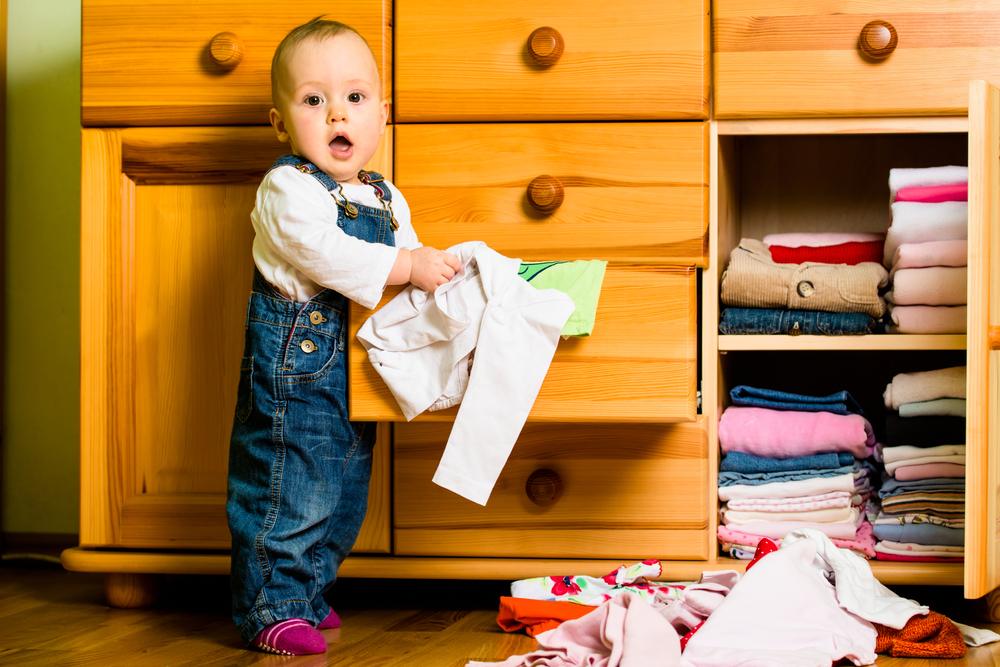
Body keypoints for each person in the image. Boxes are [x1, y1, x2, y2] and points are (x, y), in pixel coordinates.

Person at [226, 18, 461, 656]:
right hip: (294, 367)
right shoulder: (288, 189)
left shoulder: (386, 196)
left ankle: (308, 594)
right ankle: (269, 607)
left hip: (353, 363)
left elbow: (407, 262)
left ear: (381, 114)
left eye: (355, 98)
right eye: (313, 100)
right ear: (281, 123)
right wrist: (407, 266)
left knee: (343, 488)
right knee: (288, 482)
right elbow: (321, 251)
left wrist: (435, 279)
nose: (338, 114)